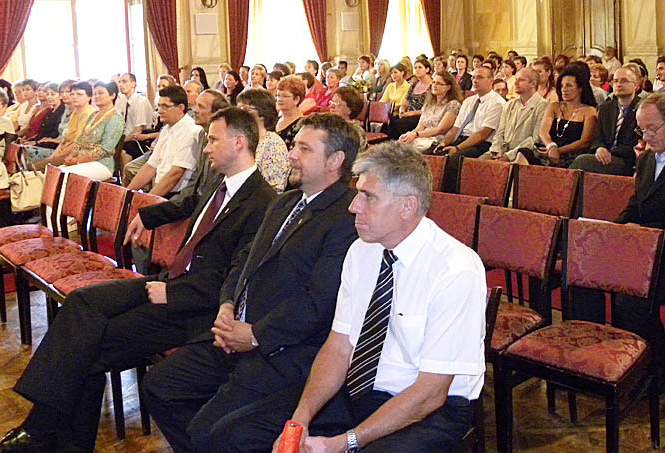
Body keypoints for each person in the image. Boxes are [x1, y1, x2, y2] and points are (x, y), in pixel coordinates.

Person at [0, 107, 275, 453]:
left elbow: (236, 278)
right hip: (169, 282)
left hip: (193, 308)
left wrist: (173, 294)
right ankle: (43, 431)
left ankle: (44, 432)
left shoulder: (263, 203)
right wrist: (147, 215)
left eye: (214, 140)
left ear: (239, 143)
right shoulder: (221, 183)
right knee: (82, 303)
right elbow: (190, 203)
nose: (206, 148)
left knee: (87, 347)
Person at [205, 142, 490, 453]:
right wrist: (300, 419)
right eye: (357, 194)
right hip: (360, 389)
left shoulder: (455, 269)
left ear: (408, 206)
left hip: (429, 408)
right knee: (232, 436)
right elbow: (339, 347)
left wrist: (344, 443)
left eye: (368, 197)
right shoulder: (362, 250)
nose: (354, 206)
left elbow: (430, 393)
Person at [141, 113, 361, 453]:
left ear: (335, 161)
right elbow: (244, 261)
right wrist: (227, 305)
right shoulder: (285, 202)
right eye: (294, 146)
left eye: (304, 149)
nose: (291, 155)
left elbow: (319, 302)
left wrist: (255, 334)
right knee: (159, 385)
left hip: (281, 348)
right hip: (236, 333)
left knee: (210, 432)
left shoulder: (346, 218)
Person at [573, 93, 665, 390]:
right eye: (641, 129)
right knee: (584, 276)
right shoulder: (646, 161)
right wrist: (613, 231)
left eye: (652, 128)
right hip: (647, 249)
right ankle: (596, 359)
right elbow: (635, 207)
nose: (646, 137)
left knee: (632, 295)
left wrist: (645, 234)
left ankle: (656, 367)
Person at [434, 66, 505, 192]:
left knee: (454, 160)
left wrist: (457, 148)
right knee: (433, 154)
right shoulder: (469, 101)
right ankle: (435, 194)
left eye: (480, 77)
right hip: (461, 138)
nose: (475, 80)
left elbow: (483, 134)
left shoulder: (497, 103)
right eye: (473, 77)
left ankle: (453, 197)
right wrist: (444, 143)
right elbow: (456, 128)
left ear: (491, 80)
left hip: (481, 143)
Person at [127, 86, 203, 197]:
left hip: (177, 195)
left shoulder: (191, 131)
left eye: (165, 106)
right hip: (160, 190)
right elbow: (151, 166)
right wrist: (126, 194)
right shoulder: (167, 129)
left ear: (180, 108)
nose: (159, 111)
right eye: (159, 106)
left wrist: (149, 200)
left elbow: (175, 174)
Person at [518, 64, 598, 168]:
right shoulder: (554, 106)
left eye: (569, 85)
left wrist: (558, 151)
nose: (564, 89)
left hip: (572, 155)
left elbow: (584, 142)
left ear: (580, 88)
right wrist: (551, 146)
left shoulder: (589, 111)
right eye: (562, 86)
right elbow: (543, 132)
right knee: (523, 153)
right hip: (549, 149)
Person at [570, 65, 640, 175]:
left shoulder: (642, 108)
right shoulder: (606, 107)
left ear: (636, 85)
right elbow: (597, 136)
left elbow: (638, 142)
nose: (619, 84)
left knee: (582, 162)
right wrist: (599, 148)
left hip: (629, 160)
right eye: (615, 81)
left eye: (624, 81)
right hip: (605, 156)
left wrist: (609, 152)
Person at [477, 67, 549, 163]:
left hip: (525, 154)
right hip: (502, 151)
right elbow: (500, 132)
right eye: (516, 79)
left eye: (521, 80)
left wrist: (509, 156)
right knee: (477, 164)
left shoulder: (543, 106)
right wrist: (496, 151)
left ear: (533, 84)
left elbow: (535, 139)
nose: (516, 83)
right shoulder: (509, 104)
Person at [236, 89, 290, 192]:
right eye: (238, 108)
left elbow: (274, 188)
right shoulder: (239, 139)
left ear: (262, 114)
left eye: (245, 109)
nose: (239, 114)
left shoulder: (273, 144)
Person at [399, 70, 463, 153]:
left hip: (436, 140)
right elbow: (419, 128)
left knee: (407, 150)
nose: (435, 85)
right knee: (400, 144)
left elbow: (440, 130)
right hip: (422, 137)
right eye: (433, 82)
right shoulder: (429, 104)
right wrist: (409, 135)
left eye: (439, 83)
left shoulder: (453, 104)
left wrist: (416, 135)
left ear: (448, 87)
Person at [388, 60, 434, 139]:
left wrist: (410, 113)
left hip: (421, 116)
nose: (417, 70)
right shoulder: (414, 85)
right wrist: (402, 111)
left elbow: (429, 109)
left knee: (399, 124)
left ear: (427, 69)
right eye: (415, 68)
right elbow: (405, 103)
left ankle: (400, 143)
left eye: (420, 67)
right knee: (389, 122)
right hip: (408, 114)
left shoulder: (432, 85)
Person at [117, 72, 154, 165]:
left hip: (141, 140)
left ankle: (126, 173)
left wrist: (122, 141)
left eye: (124, 82)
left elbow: (139, 128)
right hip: (128, 137)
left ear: (133, 84)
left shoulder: (140, 101)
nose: (121, 85)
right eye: (119, 82)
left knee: (123, 151)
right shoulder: (124, 101)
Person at [275, 75, 306, 150]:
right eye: (278, 95)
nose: (279, 99)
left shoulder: (301, 126)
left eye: (285, 96)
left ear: (296, 99)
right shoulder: (275, 119)